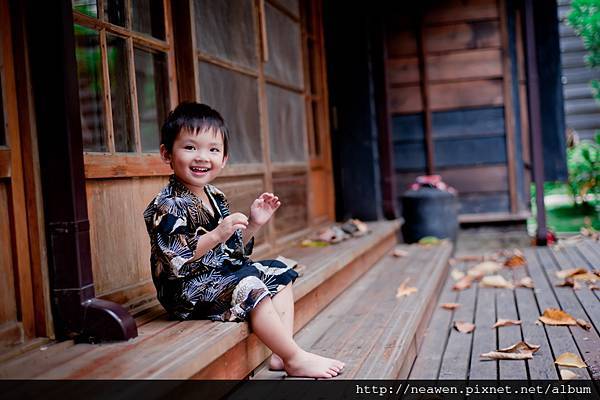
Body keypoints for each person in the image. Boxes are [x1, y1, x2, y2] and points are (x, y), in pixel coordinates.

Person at [143, 102, 344, 378]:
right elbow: (175, 259)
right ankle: (295, 358)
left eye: (213, 149)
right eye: (190, 147)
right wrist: (216, 234)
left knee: (279, 270)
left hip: (217, 276)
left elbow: (230, 250)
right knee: (249, 285)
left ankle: (280, 353)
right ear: (167, 153)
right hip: (186, 291)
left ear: (224, 159)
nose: (202, 157)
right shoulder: (169, 204)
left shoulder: (215, 196)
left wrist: (254, 223)